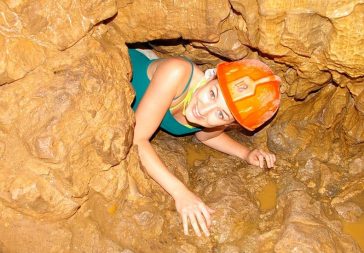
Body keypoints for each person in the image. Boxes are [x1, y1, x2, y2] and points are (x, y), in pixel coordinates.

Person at [128, 48, 281, 237]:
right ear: (211, 78)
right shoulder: (176, 72)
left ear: (230, 124)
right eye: (213, 93)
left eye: (221, 114)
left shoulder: (214, 119)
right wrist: (180, 192)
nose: (205, 109)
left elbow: (207, 136)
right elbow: (136, 139)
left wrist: (246, 154)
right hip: (120, 70)